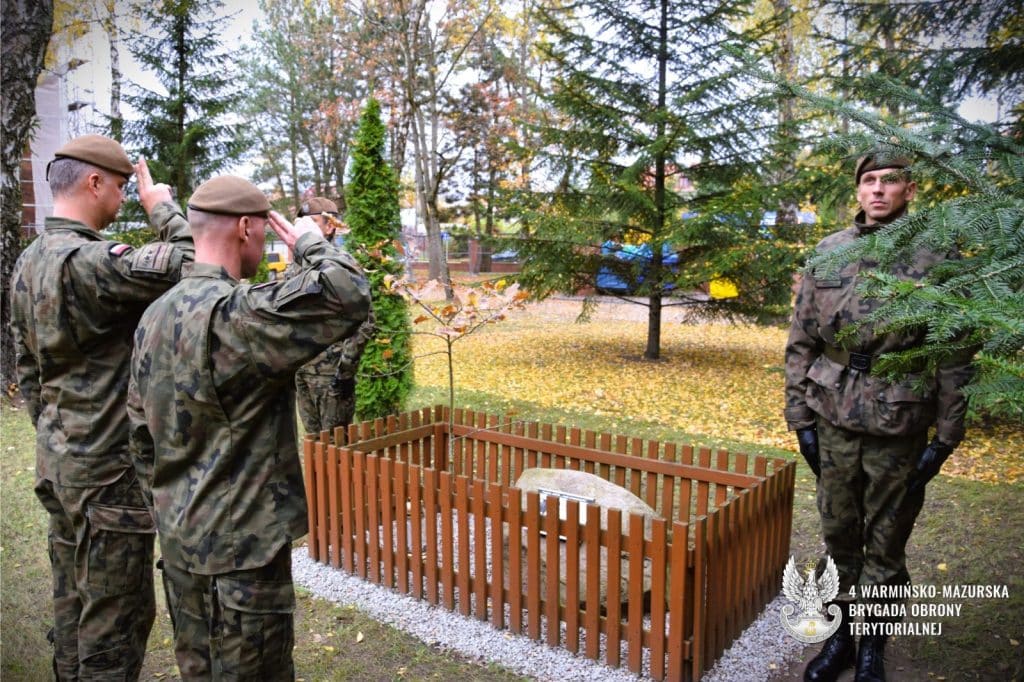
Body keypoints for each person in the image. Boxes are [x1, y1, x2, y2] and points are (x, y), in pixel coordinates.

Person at [126, 177, 371, 678]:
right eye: (262, 230)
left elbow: (139, 436)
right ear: (245, 228)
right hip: (244, 560)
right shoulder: (242, 318)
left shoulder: (152, 317)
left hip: (181, 549)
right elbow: (348, 293)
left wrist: (175, 512)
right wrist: (309, 241)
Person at [783, 149, 973, 682]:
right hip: (833, 417)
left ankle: (874, 645)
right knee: (840, 535)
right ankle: (843, 634)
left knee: (886, 545)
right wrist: (800, 420)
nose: (879, 190)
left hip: (899, 424)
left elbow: (958, 354)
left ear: (910, 191)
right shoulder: (828, 251)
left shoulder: (940, 258)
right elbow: (801, 341)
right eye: (870, 181)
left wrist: (946, 438)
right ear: (858, 191)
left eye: (892, 181)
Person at [10, 134, 193, 679]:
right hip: (109, 475)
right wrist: (161, 206)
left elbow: (29, 373)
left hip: (59, 461)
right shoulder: (93, 262)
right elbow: (194, 263)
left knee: (72, 606)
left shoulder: (27, 262)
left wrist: (60, 434)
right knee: (116, 622)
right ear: (93, 183)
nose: (122, 198)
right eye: (118, 187)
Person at [288, 196, 375, 438]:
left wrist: (345, 372)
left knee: (337, 452)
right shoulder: (295, 268)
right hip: (302, 374)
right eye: (301, 224)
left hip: (332, 378)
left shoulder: (341, 267)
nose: (305, 231)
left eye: (313, 223)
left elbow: (366, 322)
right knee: (314, 446)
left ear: (330, 227)